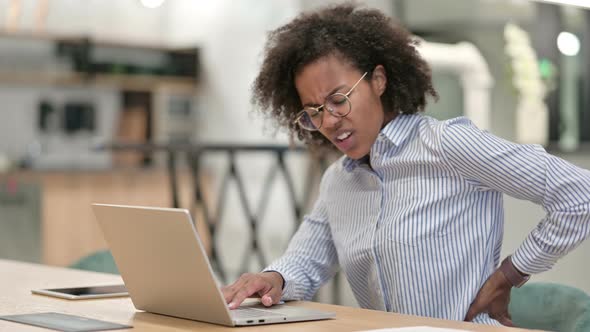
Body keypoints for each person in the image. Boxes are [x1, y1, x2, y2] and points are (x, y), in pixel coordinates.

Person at [221, 3, 590, 326]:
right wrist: (273, 279)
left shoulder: (447, 145)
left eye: (338, 100)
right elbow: (306, 259)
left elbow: (579, 195)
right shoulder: (339, 181)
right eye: (314, 111)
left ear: (378, 80)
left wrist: (510, 274)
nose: (329, 121)